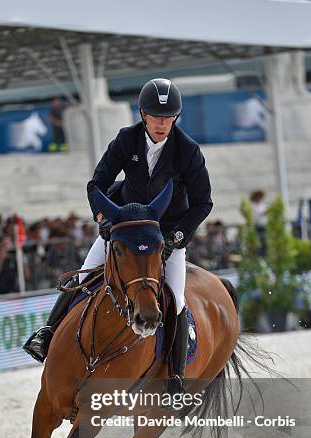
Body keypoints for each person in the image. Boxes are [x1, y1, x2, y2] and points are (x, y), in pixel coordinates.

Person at [24, 78, 213, 392]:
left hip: (165, 236)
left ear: (175, 118)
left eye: (168, 117)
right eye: (156, 116)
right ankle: (47, 335)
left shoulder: (188, 151)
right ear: (142, 114)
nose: (162, 123)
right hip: (124, 231)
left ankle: (175, 375)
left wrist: (176, 238)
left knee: (176, 300)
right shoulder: (127, 139)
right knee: (80, 280)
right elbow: (96, 185)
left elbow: (203, 202)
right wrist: (104, 219)